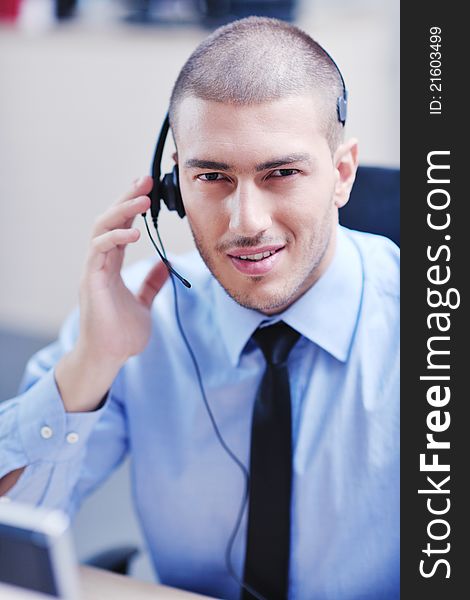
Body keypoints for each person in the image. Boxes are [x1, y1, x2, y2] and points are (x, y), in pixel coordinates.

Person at [0, 16, 399, 600]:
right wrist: (90, 366)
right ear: (171, 191)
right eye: (212, 176)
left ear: (341, 175)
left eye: (281, 173)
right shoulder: (142, 312)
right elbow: (12, 539)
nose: (246, 222)